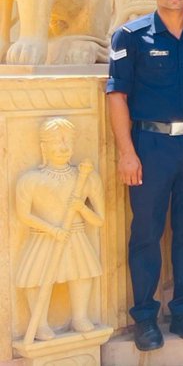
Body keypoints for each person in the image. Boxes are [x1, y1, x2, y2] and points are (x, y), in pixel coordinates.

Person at [106, 0, 183, 351]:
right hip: (149, 147)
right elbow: (117, 96)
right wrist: (127, 153)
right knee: (147, 233)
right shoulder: (130, 36)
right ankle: (145, 317)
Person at [15, 118, 104, 341]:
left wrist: (81, 209)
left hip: (75, 235)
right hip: (45, 237)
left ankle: (80, 316)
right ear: (44, 146)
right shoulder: (30, 180)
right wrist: (52, 230)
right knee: (36, 277)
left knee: (82, 274)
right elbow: (24, 215)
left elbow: (99, 220)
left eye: (67, 141)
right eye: (56, 141)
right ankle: (41, 323)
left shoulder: (86, 177)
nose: (63, 147)